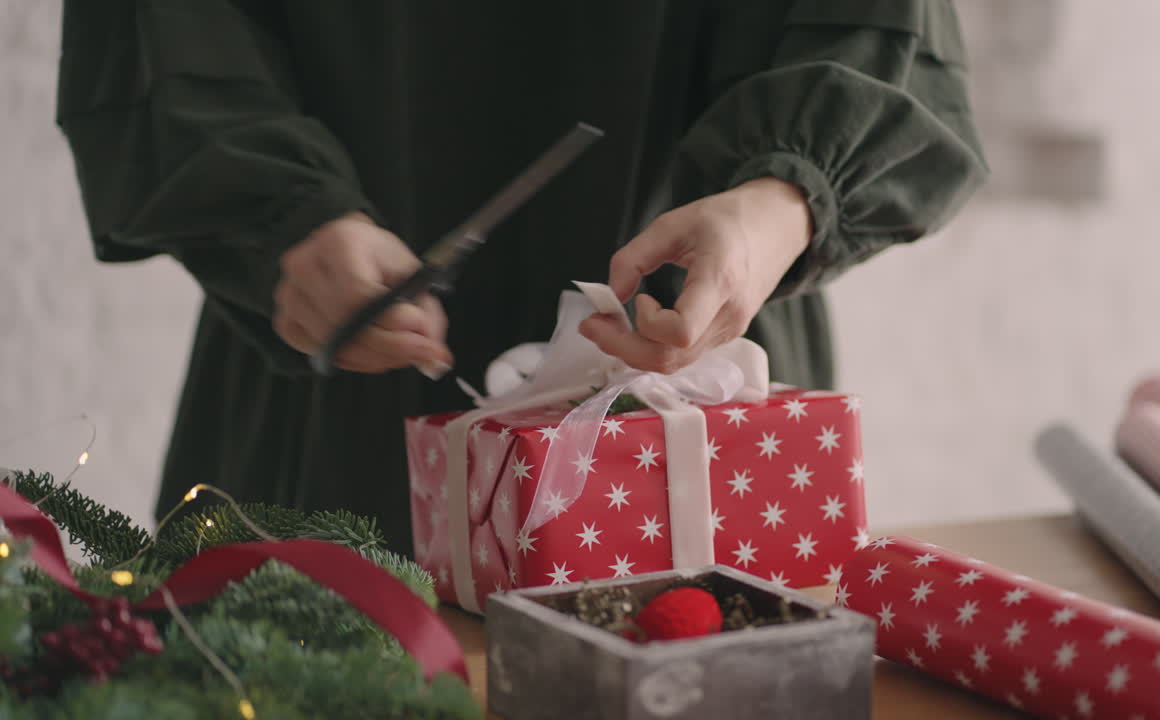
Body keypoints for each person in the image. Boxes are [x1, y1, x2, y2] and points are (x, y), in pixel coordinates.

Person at [57, 1, 986, 554]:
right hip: (332, 387)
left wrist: (781, 201)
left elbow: (882, 27)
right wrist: (277, 212)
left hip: (698, 403)